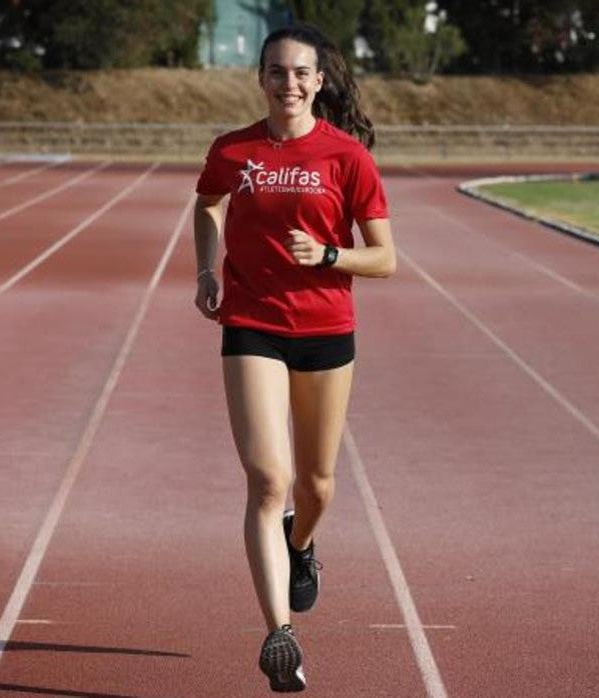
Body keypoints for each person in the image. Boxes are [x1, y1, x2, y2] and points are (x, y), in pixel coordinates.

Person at [192, 22, 396, 693]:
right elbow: (208, 205)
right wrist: (206, 271)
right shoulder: (233, 149)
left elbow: (386, 258)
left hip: (326, 329)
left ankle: (301, 544)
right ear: (261, 77)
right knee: (267, 479)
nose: (288, 83)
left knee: (316, 485)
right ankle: (279, 633)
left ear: (319, 80)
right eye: (276, 71)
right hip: (251, 322)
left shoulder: (347, 159)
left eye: (300, 72)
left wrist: (332, 255)